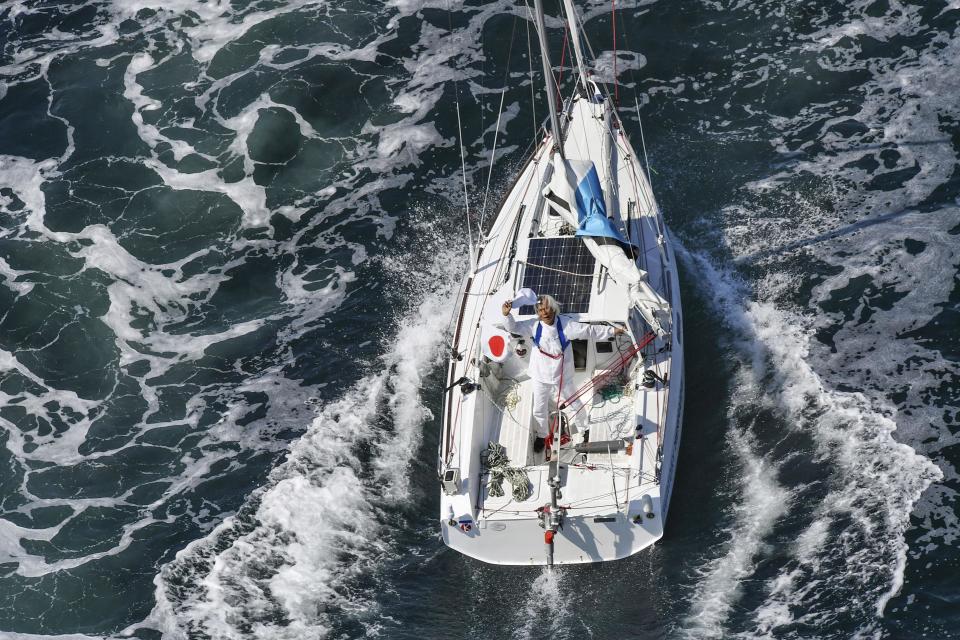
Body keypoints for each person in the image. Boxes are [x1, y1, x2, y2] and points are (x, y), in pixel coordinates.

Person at [501, 294, 625, 453]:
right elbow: (513, 327)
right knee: (538, 409)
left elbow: (589, 331)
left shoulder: (567, 326)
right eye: (540, 310)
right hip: (540, 376)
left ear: (554, 308)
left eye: (546, 308)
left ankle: (584, 429)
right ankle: (542, 435)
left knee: (576, 404)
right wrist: (506, 315)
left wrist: (613, 331)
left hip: (562, 376)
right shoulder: (534, 326)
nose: (544, 312)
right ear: (537, 313)